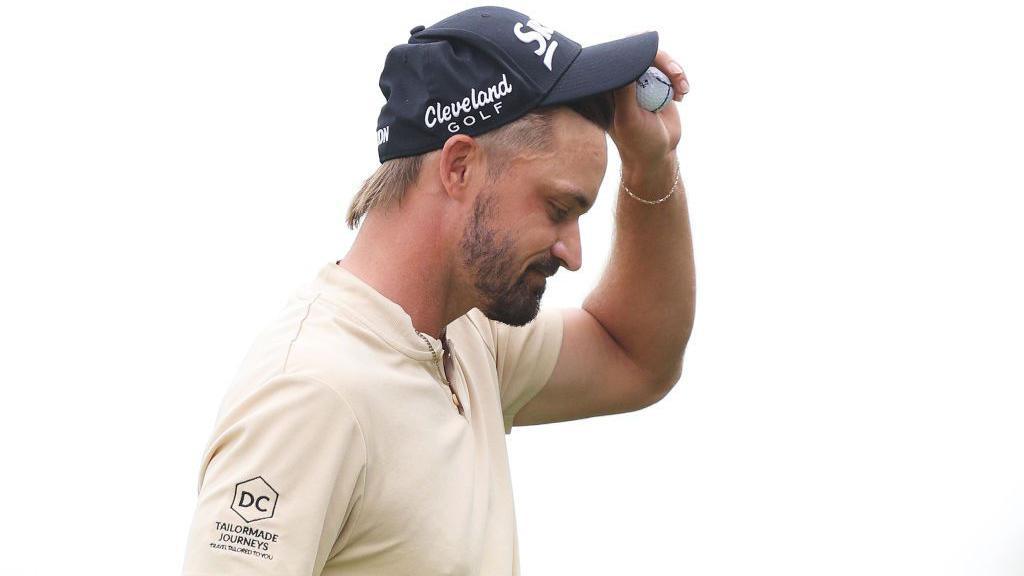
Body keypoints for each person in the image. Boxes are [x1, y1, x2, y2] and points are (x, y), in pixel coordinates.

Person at [180, 6, 694, 575]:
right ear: (458, 167)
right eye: (557, 209)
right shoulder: (312, 393)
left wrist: (652, 165)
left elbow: (638, 355)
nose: (573, 254)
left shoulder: (469, 336)